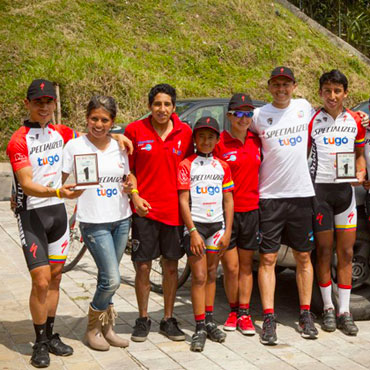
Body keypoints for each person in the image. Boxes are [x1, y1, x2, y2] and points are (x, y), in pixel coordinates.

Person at [6, 79, 83, 368]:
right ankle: (38, 342)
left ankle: (50, 335)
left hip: (57, 214)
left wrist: (118, 138)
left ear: (54, 104)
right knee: (40, 281)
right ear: (27, 104)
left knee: (56, 277)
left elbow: (91, 138)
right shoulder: (18, 140)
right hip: (32, 215)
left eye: (48, 101)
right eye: (38, 101)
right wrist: (58, 191)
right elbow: (26, 184)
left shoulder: (62, 132)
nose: (44, 106)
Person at [250, 67, 318, 344]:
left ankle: (305, 314)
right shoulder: (258, 115)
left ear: (294, 86)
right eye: (276, 84)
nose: (281, 89)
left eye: (286, 84)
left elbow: (333, 118)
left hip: (302, 195)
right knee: (268, 259)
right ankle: (268, 317)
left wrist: (360, 118)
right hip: (270, 197)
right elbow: (236, 131)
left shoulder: (305, 107)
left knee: (304, 258)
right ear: (269, 87)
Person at [124, 83, 194, 342]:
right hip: (145, 212)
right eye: (157, 104)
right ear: (149, 106)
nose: (162, 109)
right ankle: (143, 319)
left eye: (167, 104)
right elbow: (127, 170)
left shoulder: (185, 133)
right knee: (142, 266)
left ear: (174, 107)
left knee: (171, 267)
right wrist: (135, 196)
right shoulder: (134, 131)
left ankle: (168, 318)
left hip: (174, 213)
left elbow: (191, 167)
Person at [62, 95, 132, 350]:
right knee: (112, 279)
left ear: (112, 122)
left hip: (121, 219)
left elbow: (127, 174)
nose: (99, 124)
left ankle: (107, 327)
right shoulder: (74, 146)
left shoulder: (120, 146)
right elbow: (59, 181)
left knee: (107, 276)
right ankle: (92, 327)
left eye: (105, 119)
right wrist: (63, 192)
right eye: (94, 119)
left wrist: (131, 184)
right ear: (86, 118)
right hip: (94, 221)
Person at [309, 70, 366, 336]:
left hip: (345, 195)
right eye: (327, 90)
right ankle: (328, 308)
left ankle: (345, 311)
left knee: (345, 254)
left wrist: (362, 171)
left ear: (345, 93)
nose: (332, 96)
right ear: (320, 92)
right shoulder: (311, 120)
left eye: (337, 91)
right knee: (323, 252)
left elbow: (359, 155)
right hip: (319, 194)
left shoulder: (356, 119)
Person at [178, 117, 234, 352]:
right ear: (195, 139)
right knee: (199, 276)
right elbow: (183, 199)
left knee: (212, 274)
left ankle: (210, 321)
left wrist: (228, 231)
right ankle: (199, 325)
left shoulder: (222, 165)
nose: (206, 140)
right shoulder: (186, 164)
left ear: (217, 139)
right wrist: (192, 231)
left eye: (211, 136)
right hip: (196, 227)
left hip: (217, 226)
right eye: (201, 136)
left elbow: (229, 200)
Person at [213, 94, 261, 335]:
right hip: (226, 214)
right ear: (229, 115)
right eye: (239, 113)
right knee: (230, 268)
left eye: (248, 113)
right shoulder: (220, 142)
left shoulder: (257, 140)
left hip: (252, 211)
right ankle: (233, 310)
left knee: (245, 267)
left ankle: (245, 313)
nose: (244, 118)